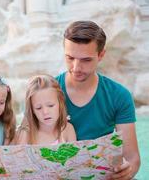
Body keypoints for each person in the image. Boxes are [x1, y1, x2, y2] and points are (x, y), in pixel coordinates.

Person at [56, 21, 140, 179]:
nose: (76, 67)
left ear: (101, 55)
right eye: (70, 58)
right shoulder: (48, 91)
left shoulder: (119, 95)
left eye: (86, 60)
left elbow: (132, 158)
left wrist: (127, 171)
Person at [13, 74, 76, 145]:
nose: (45, 112)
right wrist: (24, 132)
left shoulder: (67, 129)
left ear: (60, 103)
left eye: (50, 105)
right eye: (38, 108)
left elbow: (74, 155)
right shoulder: (26, 134)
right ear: (32, 110)